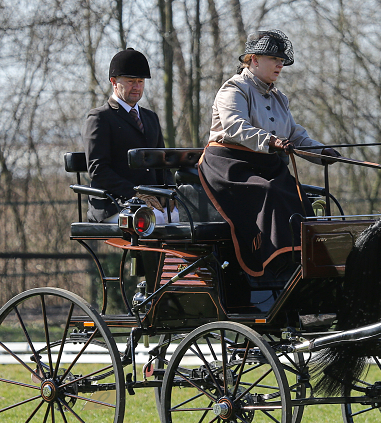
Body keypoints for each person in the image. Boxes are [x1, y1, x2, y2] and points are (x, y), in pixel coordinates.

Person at [197, 29, 341, 281]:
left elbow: (295, 135)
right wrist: (271, 140)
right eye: (274, 59)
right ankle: (277, 263)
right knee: (271, 192)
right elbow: (235, 126)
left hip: (266, 165)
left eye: (282, 60)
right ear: (253, 60)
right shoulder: (233, 89)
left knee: (299, 196)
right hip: (230, 166)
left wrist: (321, 152)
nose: (280, 64)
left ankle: (306, 262)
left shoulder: (279, 97)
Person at [83, 48, 178, 223]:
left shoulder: (151, 118)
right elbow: (98, 169)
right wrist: (135, 194)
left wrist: (169, 192)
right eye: (130, 81)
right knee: (155, 219)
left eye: (140, 81)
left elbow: (163, 164)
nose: (137, 87)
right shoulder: (100, 117)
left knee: (182, 216)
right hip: (114, 202)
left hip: (151, 200)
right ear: (113, 82)